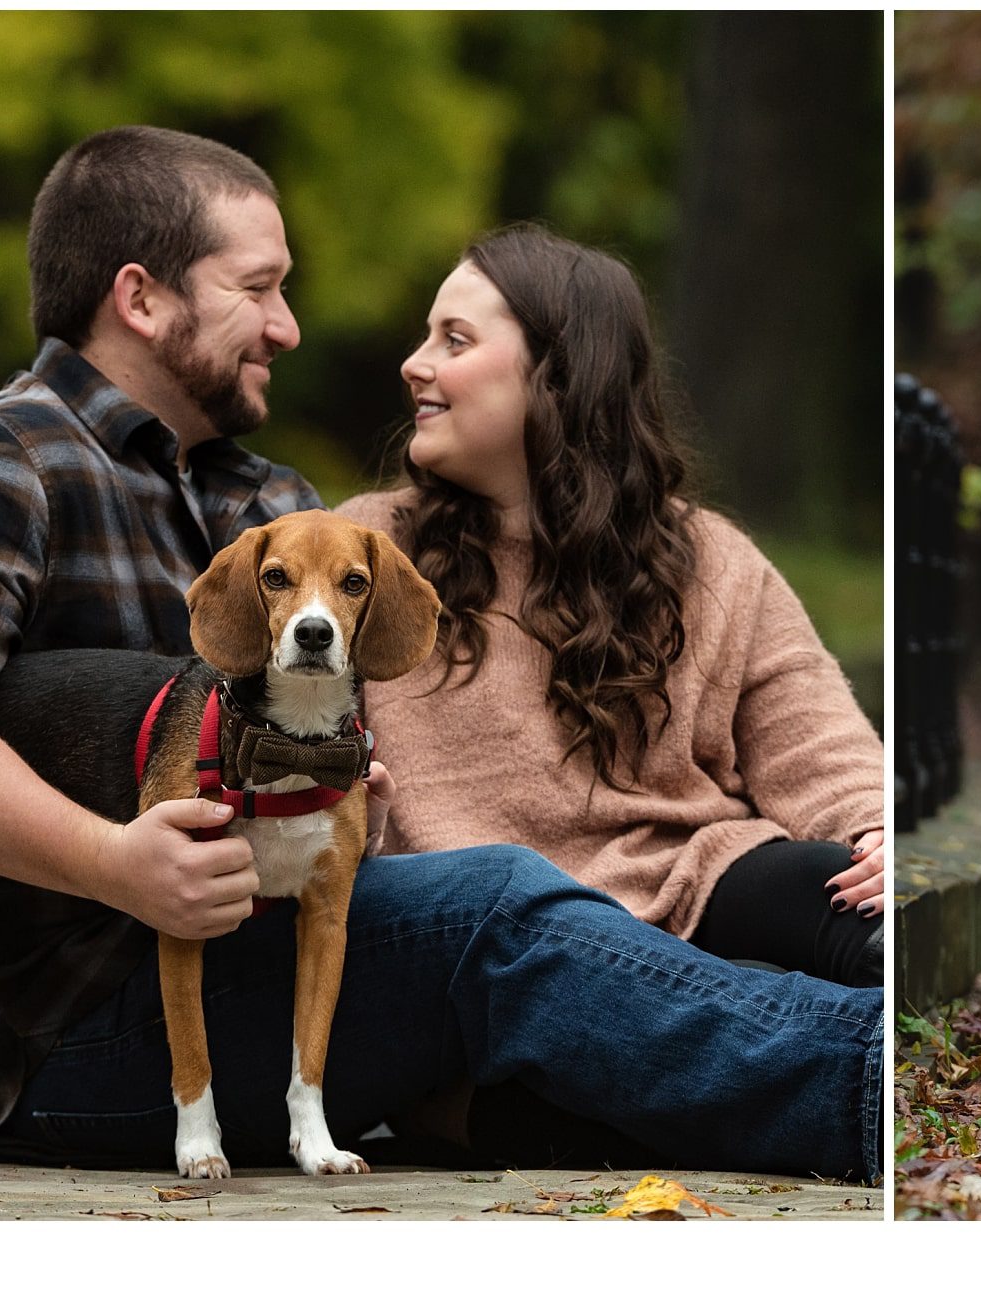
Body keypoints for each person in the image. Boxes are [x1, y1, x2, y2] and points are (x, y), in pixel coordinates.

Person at [0, 125, 881, 1180]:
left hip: (276, 978)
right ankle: (875, 1083)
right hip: (71, 1037)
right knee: (491, 905)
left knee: (741, 909)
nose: (289, 327)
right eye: (259, 288)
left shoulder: (278, 508)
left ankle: (852, 1056)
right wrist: (112, 861)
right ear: (141, 299)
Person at [338, 224, 886, 993]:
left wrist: (874, 828)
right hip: (477, 930)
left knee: (850, 897)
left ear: (557, 374)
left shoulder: (710, 559)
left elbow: (814, 738)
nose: (413, 363)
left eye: (454, 340)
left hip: (686, 881)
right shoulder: (361, 552)